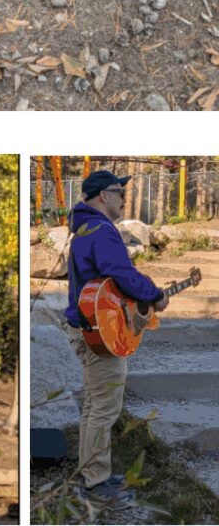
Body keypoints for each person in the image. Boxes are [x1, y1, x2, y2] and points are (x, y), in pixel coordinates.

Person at [65, 169, 167, 506]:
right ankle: (96, 483)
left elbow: (103, 282)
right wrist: (154, 294)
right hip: (99, 331)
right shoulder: (103, 231)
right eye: (119, 192)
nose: (124, 198)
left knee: (95, 404)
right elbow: (121, 274)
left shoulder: (82, 227)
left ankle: (89, 473)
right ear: (103, 196)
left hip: (87, 325)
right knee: (104, 408)